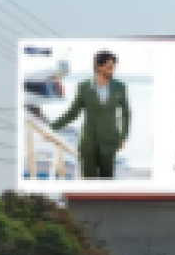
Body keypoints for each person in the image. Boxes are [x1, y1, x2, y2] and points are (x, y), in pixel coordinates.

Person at [50, 50, 130, 179]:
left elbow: (125, 113)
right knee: (88, 181)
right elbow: (73, 112)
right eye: (109, 67)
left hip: (110, 141)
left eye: (113, 67)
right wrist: (53, 126)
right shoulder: (83, 87)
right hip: (88, 143)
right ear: (98, 67)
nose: (112, 70)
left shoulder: (120, 87)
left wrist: (123, 136)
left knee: (107, 180)